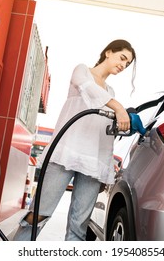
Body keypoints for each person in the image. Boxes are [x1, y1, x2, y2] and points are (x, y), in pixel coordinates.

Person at [13, 39, 137, 241]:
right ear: (108, 52)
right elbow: (88, 89)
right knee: (39, 215)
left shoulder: (111, 93)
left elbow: (104, 135)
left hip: (92, 163)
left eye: (127, 64)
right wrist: (119, 108)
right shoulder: (82, 71)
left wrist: (104, 171)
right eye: (122, 58)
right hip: (65, 153)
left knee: (79, 225)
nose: (123, 65)